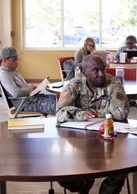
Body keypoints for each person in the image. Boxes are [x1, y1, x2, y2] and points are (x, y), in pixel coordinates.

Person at [56, 54, 130, 194]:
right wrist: (81, 114)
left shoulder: (114, 84)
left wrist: (96, 114)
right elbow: (59, 112)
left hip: (111, 140)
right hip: (81, 142)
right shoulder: (74, 84)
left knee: (120, 170)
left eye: (103, 69)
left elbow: (121, 112)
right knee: (64, 175)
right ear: (84, 72)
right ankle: (85, 183)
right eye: (95, 70)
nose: (101, 74)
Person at [0, 46, 56, 115]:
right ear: (4, 60)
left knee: (61, 99)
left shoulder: (14, 70)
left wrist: (34, 90)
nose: (17, 62)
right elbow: (16, 93)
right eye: (14, 60)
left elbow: (23, 87)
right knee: (57, 107)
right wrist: (30, 89)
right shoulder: (4, 75)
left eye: (17, 59)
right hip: (26, 104)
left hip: (32, 98)